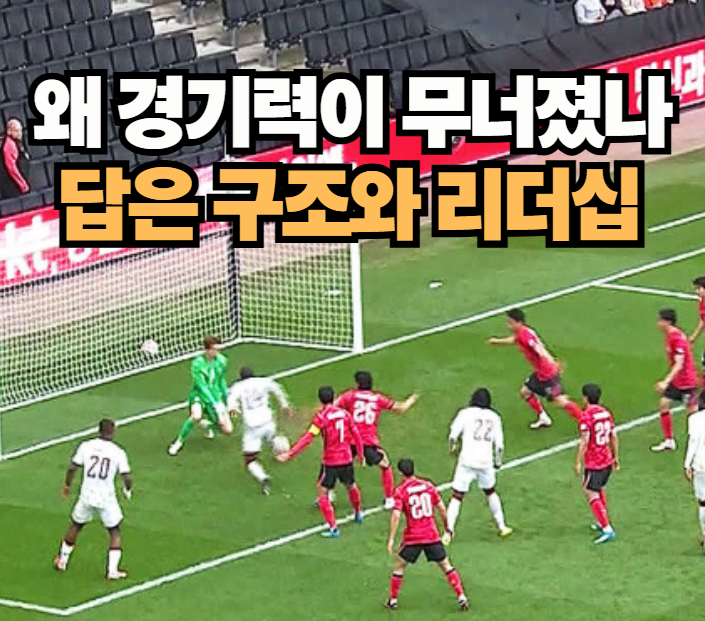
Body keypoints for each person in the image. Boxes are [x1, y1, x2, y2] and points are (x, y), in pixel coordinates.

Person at [277, 386, 364, 538]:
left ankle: (334, 529)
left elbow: (308, 437)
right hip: (346, 458)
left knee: (322, 492)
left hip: (331, 461)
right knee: (351, 485)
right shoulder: (345, 414)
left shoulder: (321, 418)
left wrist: (290, 453)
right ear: (333, 397)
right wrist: (361, 454)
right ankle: (358, 513)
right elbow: (356, 434)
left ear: (320, 400)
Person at [386, 459, 469, 612]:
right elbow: (441, 508)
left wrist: (391, 538)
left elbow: (396, 515)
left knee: (399, 565)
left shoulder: (401, 491)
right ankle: (461, 596)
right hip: (431, 535)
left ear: (401, 473)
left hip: (413, 537)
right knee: (446, 565)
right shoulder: (428, 486)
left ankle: (393, 600)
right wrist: (447, 528)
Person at [54, 419, 132, 579]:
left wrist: (67, 485)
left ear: (99, 430)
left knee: (76, 525)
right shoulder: (118, 452)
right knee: (114, 531)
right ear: (113, 432)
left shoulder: (86, 446)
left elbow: (73, 467)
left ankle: (62, 560)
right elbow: (126, 476)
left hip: (86, 495)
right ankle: (112, 570)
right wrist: (127, 489)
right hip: (106, 498)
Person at [335, 371, 418, 509]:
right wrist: (412, 399)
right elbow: (400, 408)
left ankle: (326, 493)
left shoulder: (349, 396)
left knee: (333, 463)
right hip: (367, 441)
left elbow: (333, 407)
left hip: (350, 440)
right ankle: (389, 499)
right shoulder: (377, 399)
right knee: (385, 465)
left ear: (357, 384)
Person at [443, 388, 512, 542]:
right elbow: (499, 446)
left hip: (467, 460)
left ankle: (448, 533)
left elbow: (453, 435)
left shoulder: (465, 413)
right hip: (485, 461)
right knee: (490, 492)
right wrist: (498, 463)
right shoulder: (495, 417)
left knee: (457, 496)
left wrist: (452, 449)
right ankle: (502, 526)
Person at [488, 308, 568, 429]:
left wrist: (551, 361)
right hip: (541, 372)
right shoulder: (522, 332)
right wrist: (497, 341)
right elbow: (514, 340)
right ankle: (543, 417)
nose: (508, 326)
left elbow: (539, 349)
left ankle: (585, 419)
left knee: (559, 400)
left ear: (519, 322)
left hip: (547, 373)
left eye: (510, 322)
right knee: (525, 392)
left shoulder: (525, 336)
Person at [564, 384, 619, 544]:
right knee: (598, 489)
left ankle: (607, 528)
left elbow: (585, 440)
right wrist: (615, 456)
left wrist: (577, 462)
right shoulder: (606, 413)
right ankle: (602, 521)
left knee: (590, 491)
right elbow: (613, 436)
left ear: (585, 398)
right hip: (606, 459)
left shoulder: (587, 415)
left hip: (595, 462)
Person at [228, 366, 292, 495]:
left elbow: (231, 399)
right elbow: (277, 389)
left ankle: (263, 478)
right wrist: (285, 405)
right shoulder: (263, 381)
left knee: (250, 460)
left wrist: (233, 408)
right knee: (271, 436)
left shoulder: (238, 386)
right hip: (267, 421)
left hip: (252, 427)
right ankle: (278, 444)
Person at [169, 336, 232, 456]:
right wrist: (214, 405)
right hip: (199, 395)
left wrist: (227, 399)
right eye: (214, 349)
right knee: (196, 416)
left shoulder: (222, 361)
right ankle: (178, 442)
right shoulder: (198, 364)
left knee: (227, 430)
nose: (217, 352)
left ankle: (207, 424)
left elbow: (221, 381)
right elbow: (201, 386)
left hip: (215, 396)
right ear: (207, 350)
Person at [652, 308, 699, 452]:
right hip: (678, 380)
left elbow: (679, 363)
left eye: (660, 320)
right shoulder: (670, 335)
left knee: (693, 413)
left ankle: (698, 440)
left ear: (667, 321)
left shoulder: (676, 338)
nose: (657, 323)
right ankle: (669, 441)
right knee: (664, 403)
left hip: (687, 381)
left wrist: (665, 382)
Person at [684, 391, 705, 552]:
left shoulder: (695, 419)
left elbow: (693, 441)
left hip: (701, 464)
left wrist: (687, 464)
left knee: (703, 502)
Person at [0, 118, 29, 198]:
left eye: (20, 131)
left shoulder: (16, 142)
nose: (19, 133)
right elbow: (11, 168)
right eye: (16, 131)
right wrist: (22, 184)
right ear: (9, 131)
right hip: (12, 185)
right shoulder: (9, 145)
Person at [689, 276, 705, 384]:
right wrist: (693, 337)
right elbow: (703, 320)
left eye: (699, 288)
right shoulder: (702, 302)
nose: (696, 291)